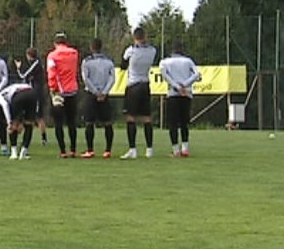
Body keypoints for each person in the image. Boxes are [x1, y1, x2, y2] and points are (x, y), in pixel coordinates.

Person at [119, 27, 158, 159]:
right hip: (145, 84)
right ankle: (149, 149)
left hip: (133, 85)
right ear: (145, 36)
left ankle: (132, 149)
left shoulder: (130, 50)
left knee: (131, 117)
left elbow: (123, 66)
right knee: (147, 117)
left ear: (134, 37)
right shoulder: (152, 50)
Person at [159, 40, 202, 157]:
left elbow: (165, 75)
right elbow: (197, 74)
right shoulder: (188, 61)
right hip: (186, 94)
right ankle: (185, 149)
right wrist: (185, 84)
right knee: (184, 123)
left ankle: (176, 150)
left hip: (173, 94)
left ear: (172, 51)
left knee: (173, 124)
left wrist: (177, 86)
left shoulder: (165, 62)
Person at [80, 38, 116, 159]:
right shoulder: (109, 62)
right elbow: (112, 78)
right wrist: (104, 92)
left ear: (91, 47)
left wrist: (95, 92)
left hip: (91, 94)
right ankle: (108, 150)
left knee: (89, 122)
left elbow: (86, 79)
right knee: (107, 122)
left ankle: (90, 150)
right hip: (104, 95)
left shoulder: (87, 62)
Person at [46, 32, 80, 158]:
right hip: (72, 90)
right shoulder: (74, 53)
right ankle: (73, 150)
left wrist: (52, 88)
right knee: (71, 122)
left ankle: (63, 151)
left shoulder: (52, 56)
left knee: (58, 122)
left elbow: (51, 73)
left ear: (55, 43)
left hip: (59, 91)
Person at [14, 47, 48, 146]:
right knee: (30, 117)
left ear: (28, 55)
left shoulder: (36, 64)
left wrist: (18, 67)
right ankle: (27, 137)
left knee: (36, 117)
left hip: (36, 94)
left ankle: (43, 139)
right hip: (33, 93)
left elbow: (23, 75)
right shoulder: (35, 64)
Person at [0, 81, 38, 160]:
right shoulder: (13, 86)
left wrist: (9, 122)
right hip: (32, 94)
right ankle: (24, 152)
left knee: (14, 126)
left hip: (18, 96)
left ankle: (14, 152)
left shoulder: (0, 96)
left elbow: (5, 106)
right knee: (29, 124)